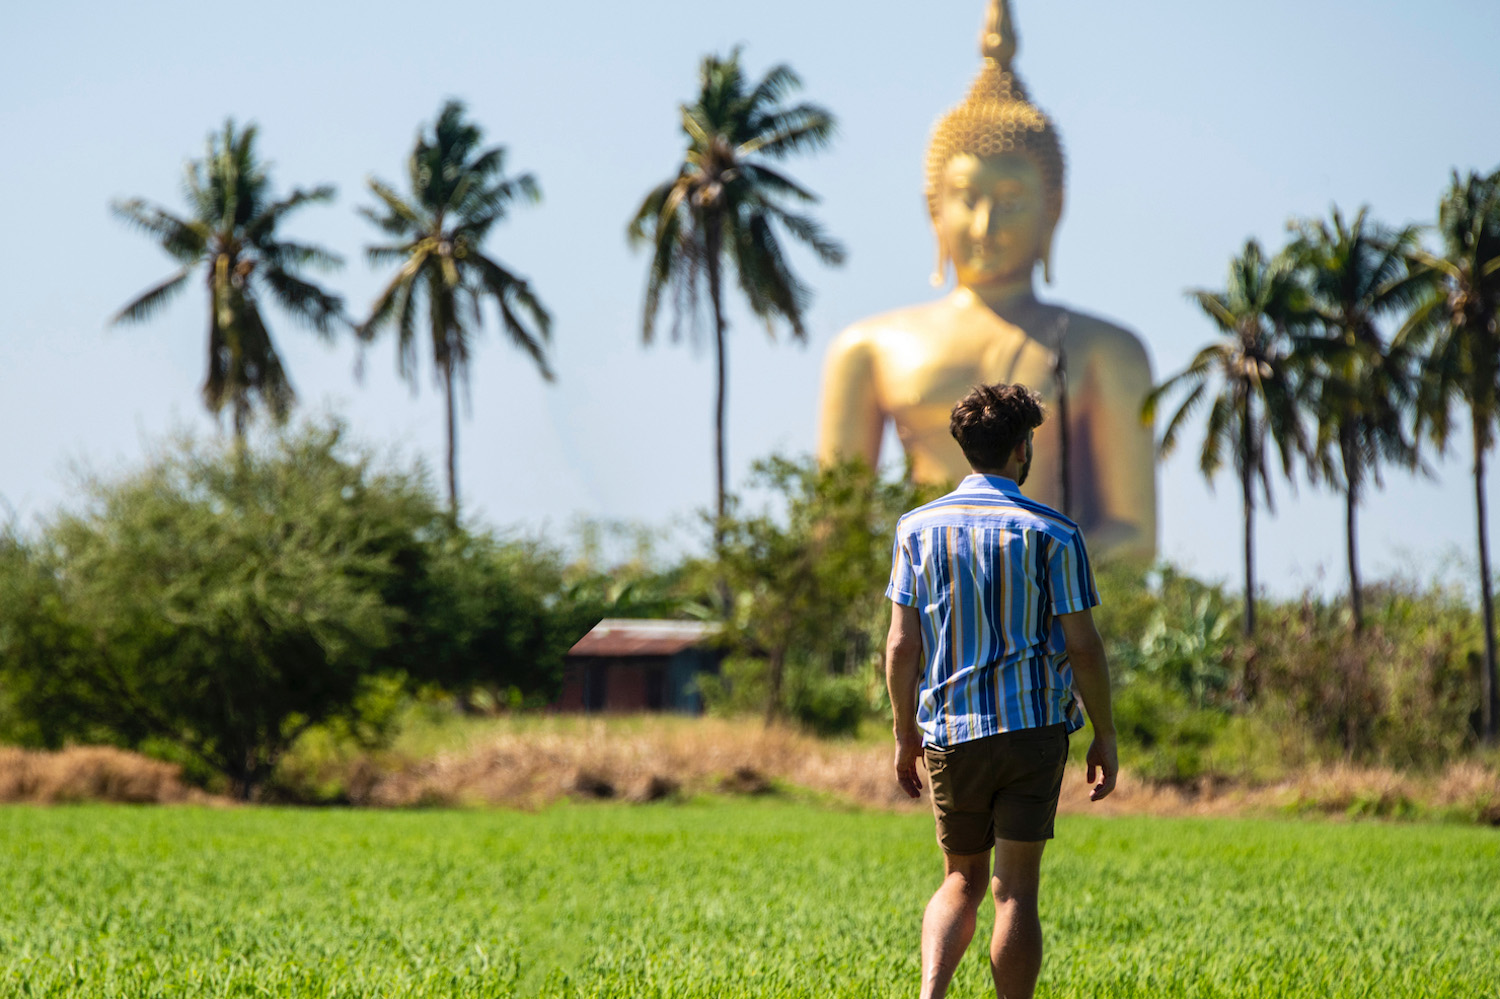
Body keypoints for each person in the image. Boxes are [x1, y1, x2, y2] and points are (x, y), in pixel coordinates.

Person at [818, 0, 1156, 560]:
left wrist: (1027, 575)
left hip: (1046, 607)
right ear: (934, 207)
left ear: (1054, 209)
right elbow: (833, 533)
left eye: (1011, 202)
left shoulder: (1106, 351)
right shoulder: (868, 349)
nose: (985, 225)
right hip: (919, 590)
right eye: (967, 199)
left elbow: (1133, 534)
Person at [884, 382, 1118, 999]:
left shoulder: (917, 528)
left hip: (950, 731)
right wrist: (1105, 734)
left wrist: (905, 733)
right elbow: (1085, 646)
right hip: (1033, 730)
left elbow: (901, 646)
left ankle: (931, 994)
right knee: (1015, 889)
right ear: (1022, 448)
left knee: (959, 879)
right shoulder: (1056, 533)